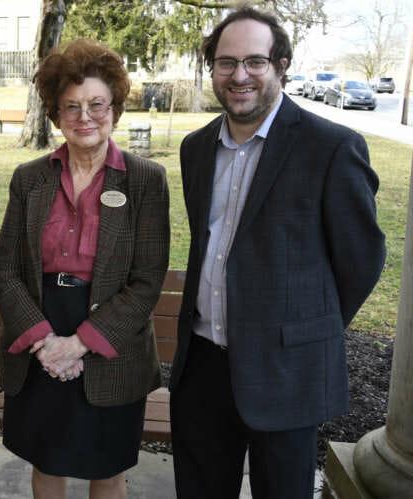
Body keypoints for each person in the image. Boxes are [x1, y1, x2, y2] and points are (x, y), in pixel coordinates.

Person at [170, 8, 386, 499]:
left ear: (280, 64)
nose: (239, 75)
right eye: (226, 63)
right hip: (203, 367)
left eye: (254, 61)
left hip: (287, 370)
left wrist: (304, 330)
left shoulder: (332, 148)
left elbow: (361, 260)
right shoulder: (195, 148)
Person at [0, 39, 170, 499]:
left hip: (111, 340)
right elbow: (5, 268)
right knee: (47, 462)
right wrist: (45, 340)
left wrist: (80, 345)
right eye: (71, 107)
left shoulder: (146, 180)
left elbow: (148, 280)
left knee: (106, 469)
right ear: (55, 114)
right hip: (40, 338)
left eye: (96, 104)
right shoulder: (31, 178)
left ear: (115, 108)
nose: (84, 117)